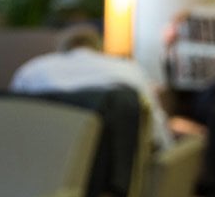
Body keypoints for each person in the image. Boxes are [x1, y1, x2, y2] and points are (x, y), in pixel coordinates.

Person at [11, 24, 177, 150]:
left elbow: (11, 120)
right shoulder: (127, 70)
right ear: (99, 48)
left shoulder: (31, 69)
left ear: (61, 49)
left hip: (42, 158)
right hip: (114, 172)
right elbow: (156, 131)